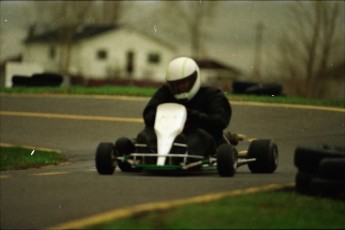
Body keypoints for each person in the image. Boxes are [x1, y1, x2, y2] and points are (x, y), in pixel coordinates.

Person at [134, 56, 234, 159]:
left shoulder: (212, 95)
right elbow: (148, 113)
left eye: (183, 83)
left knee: (198, 137)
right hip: (166, 135)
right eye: (175, 84)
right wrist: (163, 115)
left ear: (193, 79)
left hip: (199, 135)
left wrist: (192, 116)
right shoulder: (166, 92)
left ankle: (180, 152)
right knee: (148, 133)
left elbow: (220, 121)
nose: (179, 88)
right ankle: (148, 153)